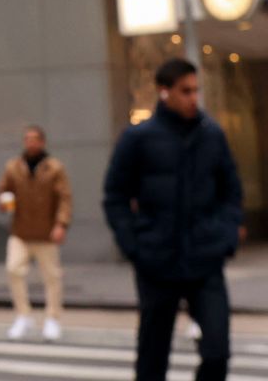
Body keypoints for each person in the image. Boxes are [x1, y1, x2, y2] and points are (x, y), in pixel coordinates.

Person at [103, 58, 244, 381]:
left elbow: (231, 191)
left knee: (217, 351)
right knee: (153, 355)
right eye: (185, 91)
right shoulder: (137, 138)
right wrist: (134, 246)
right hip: (157, 261)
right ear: (164, 92)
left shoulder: (212, 135)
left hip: (205, 258)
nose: (193, 98)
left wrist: (225, 235)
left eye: (196, 90)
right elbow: (115, 196)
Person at [0, 125, 74, 342]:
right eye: (27, 139)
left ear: (42, 142)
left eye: (34, 139)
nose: (30, 143)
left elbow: (65, 198)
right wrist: (5, 202)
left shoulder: (54, 168)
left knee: (52, 276)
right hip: (20, 231)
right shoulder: (13, 167)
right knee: (13, 269)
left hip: (46, 232)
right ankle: (23, 314)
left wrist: (61, 224)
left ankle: (52, 318)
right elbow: (4, 190)